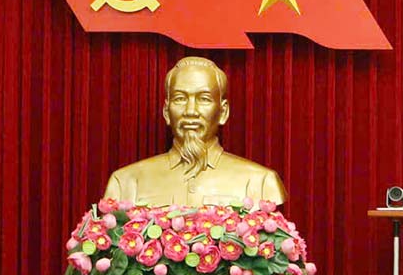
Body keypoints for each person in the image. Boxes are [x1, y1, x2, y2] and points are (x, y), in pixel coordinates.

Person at [103, 55, 286, 208]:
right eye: (180, 98)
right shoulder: (126, 182)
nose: (191, 111)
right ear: (166, 112)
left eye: (204, 99)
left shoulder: (261, 183)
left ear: (223, 112)